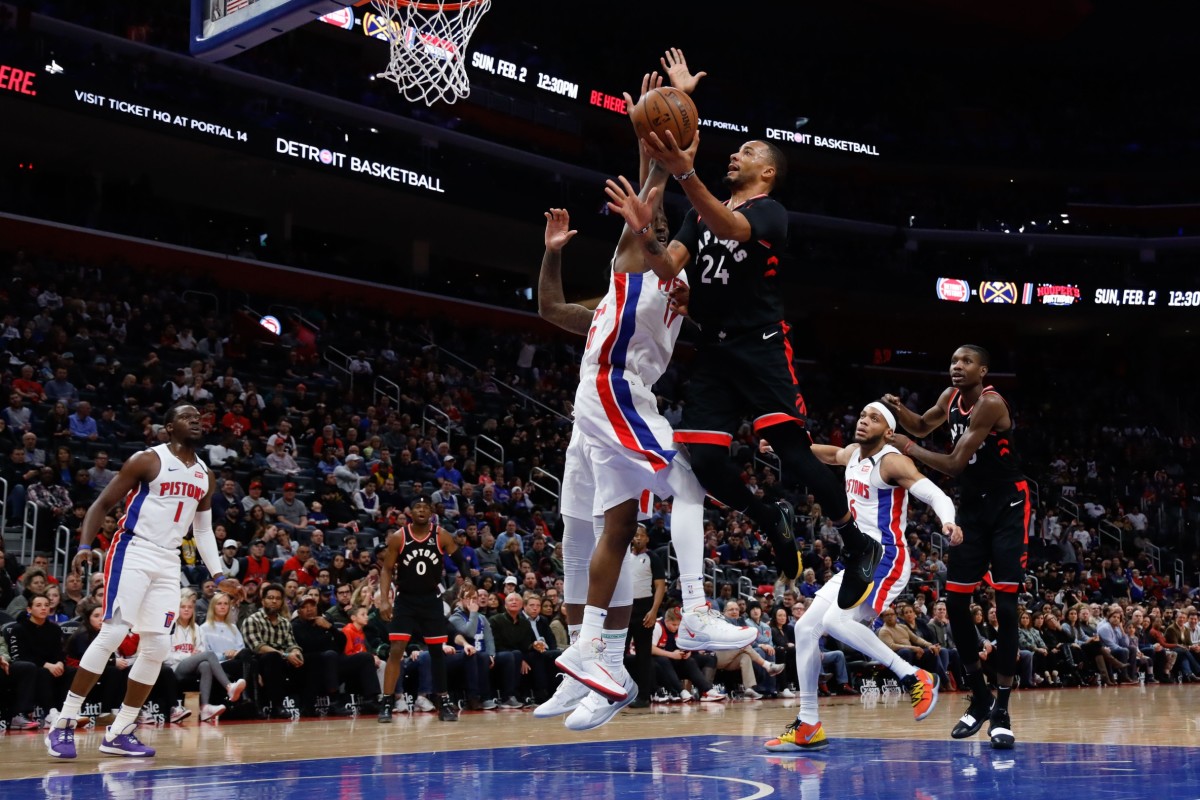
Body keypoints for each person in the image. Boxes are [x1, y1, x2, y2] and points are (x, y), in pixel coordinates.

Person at [533, 61, 755, 732]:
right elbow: (550, 307)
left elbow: (655, 191)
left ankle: (610, 663)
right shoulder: (626, 272)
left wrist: (661, 128)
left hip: (618, 396)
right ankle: (655, 630)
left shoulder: (668, 282)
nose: (648, 224)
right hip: (607, 394)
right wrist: (665, 118)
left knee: (619, 524)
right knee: (653, 500)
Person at [605, 110, 885, 613]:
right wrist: (645, 231)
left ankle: (858, 543)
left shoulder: (770, 211)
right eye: (737, 150)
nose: (735, 154)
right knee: (704, 461)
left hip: (760, 346)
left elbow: (731, 227)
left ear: (767, 171)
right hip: (714, 350)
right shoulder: (697, 214)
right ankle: (767, 515)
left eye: (748, 151)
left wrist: (685, 174)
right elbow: (667, 265)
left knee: (794, 455)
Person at [764, 402, 960, 752]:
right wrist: (782, 447)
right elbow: (828, 454)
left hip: (887, 558)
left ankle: (914, 676)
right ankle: (808, 724)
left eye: (874, 418)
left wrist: (948, 520)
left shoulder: (892, 461)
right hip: (859, 558)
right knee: (805, 628)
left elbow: (935, 493)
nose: (864, 421)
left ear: (889, 431)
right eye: (863, 415)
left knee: (836, 621)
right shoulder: (853, 453)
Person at [47, 404, 222, 760]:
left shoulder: (205, 474)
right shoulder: (148, 460)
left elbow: (202, 531)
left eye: (198, 417)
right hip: (134, 549)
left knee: (157, 647)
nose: (195, 421)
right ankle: (63, 721)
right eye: (186, 417)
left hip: (169, 559)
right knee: (113, 633)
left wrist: (219, 574)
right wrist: (84, 545)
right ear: (169, 427)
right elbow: (102, 503)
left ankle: (120, 730)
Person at [883, 344, 1029, 750]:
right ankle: (979, 696)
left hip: (1007, 506)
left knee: (1006, 608)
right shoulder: (949, 397)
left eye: (966, 362)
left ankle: (1002, 709)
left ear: (983, 370)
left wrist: (905, 448)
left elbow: (953, 463)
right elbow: (921, 425)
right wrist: (897, 409)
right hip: (972, 508)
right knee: (957, 603)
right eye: (953, 361)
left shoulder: (990, 404)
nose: (957, 367)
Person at [376, 495, 470, 723]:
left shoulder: (441, 535)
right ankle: (387, 701)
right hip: (406, 600)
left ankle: (443, 702)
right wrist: (385, 600)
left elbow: (460, 560)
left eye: (425, 507)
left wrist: (467, 580)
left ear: (431, 512)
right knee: (396, 649)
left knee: (437, 651)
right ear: (411, 512)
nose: (421, 510)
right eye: (417, 507)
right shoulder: (399, 537)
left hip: (431, 599)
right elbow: (387, 569)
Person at [165, 589, 247, 722]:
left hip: (193, 667)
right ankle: (229, 686)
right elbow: (165, 656)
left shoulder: (197, 628)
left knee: (205, 665)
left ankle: (205, 707)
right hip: (175, 667)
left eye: (190, 607)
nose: (186, 610)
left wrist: (194, 656)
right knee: (209, 655)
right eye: (183, 607)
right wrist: (188, 655)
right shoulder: (170, 628)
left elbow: (201, 650)